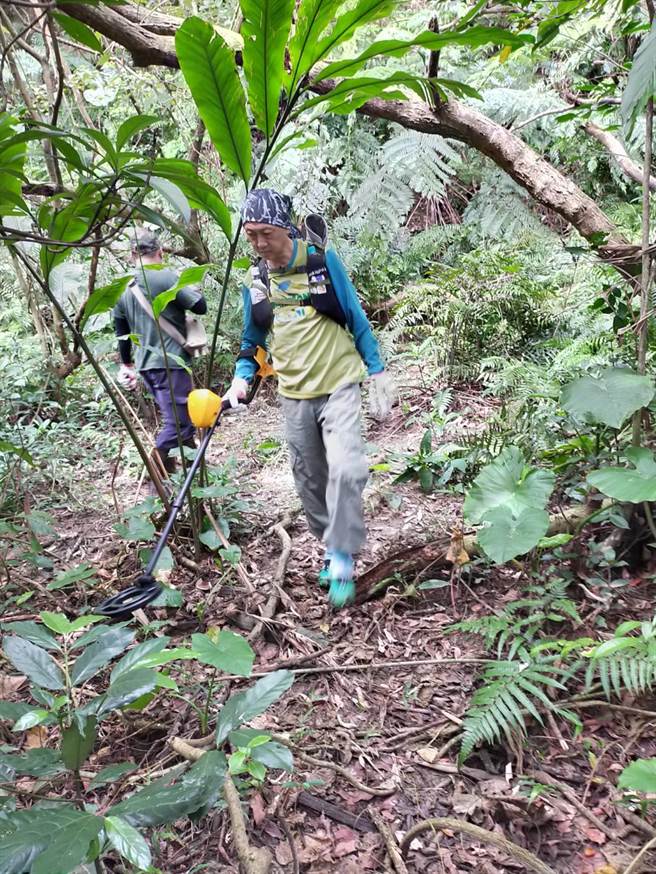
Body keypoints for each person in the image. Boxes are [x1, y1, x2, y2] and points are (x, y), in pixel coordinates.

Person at [225, 189, 396, 608]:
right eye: (251, 236)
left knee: (348, 467)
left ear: (286, 227)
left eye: (266, 233)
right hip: (293, 394)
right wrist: (241, 379)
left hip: (338, 384)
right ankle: (329, 542)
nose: (260, 244)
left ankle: (341, 555)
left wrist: (377, 370)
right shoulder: (259, 280)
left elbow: (354, 315)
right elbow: (252, 338)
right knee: (309, 483)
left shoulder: (321, 261)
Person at [114, 230, 207, 475]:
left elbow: (121, 332)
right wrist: (192, 285)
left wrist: (127, 366)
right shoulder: (165, 277)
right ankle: (157, 482)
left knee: (181, 422)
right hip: (171, 363)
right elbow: (200, 306)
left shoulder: (122, 287)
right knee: (179, 425)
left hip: (147, 366)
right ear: (160, 252)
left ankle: (190, 482)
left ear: (132, 255)